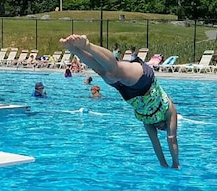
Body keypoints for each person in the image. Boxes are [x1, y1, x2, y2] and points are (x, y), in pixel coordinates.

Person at [60, 34, 180, 169]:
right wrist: (176, 163)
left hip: (129, 94)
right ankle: (87, 45)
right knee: (115, 70)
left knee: (104, 73)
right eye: (164, 127)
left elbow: (155, 143)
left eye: (160, 129)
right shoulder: (170, 109)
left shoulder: (148, 121)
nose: (160, 128)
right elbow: (172, 139)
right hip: (145, 81)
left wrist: (163, 164)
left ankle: (73, 49)